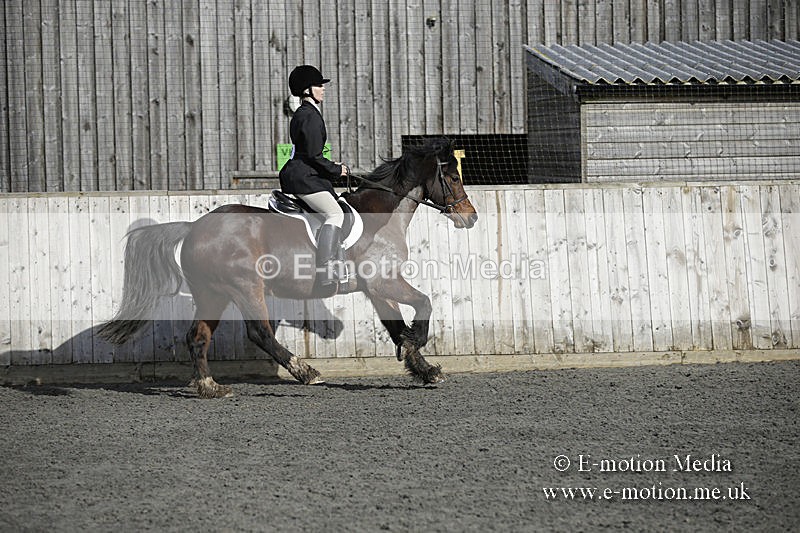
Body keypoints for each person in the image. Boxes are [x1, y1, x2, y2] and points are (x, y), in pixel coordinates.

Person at [279, 65, 350, 286]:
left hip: (303, 173)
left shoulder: (304, 114)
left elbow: (310, 153)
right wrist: (336, 169)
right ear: (307, 90)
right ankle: (325, 268)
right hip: (304, 177)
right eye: (319, 85)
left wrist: (332, 166)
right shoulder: (310, 116)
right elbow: (313, 156)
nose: (323, 89)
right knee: (335, 214)